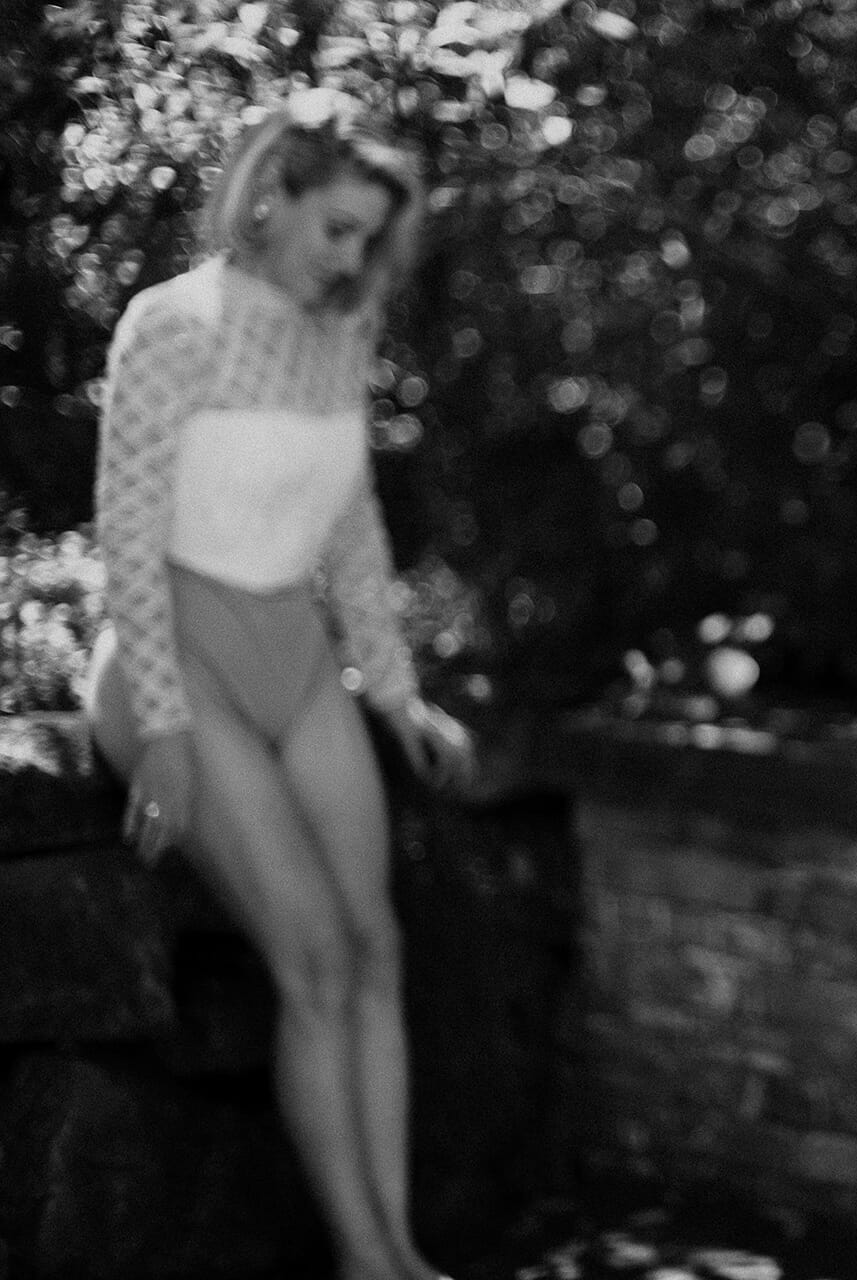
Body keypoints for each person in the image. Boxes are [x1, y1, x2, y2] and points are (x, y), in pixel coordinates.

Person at [85, 88, 475, 1280]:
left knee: (373, 947)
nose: (351, 259)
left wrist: (397, 693)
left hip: (296, 656)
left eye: (370, 238)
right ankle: (365, 1260)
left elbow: (351, 531)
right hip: (176, 654)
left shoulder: (340, 335)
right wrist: (161, 728)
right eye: (337, 228)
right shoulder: (171, 324)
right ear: (270, 199)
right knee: (311, 955)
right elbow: (125, 538)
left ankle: (403, 1248)